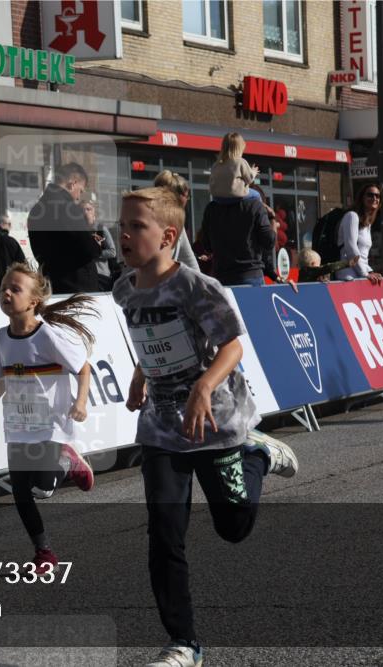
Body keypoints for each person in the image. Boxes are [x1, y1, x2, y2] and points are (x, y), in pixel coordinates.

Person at [112, 187, 297, 667]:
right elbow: (148, 338)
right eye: (122, 224)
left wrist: (203, 386)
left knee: (233, 526)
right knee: (164, 535)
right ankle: (184, 644)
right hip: (162, 429)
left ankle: (257, 455)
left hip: (214, 421)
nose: (124, 234)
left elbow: (233, 345)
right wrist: (140, 375)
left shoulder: (198, 287)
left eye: (137, 226)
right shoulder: (124, 289)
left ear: (168, 236)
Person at [0, 263, 97, 573]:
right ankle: (44, 553)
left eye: (16, 289)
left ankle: (69, 461)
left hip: (50, 423)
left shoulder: (48, 337)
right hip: (17, 424)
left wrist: (80, 402)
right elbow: (1, 381)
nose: (7, 294)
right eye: (3, 289)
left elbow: (83, 368)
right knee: (22, 491)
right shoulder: (0, 338)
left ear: (34, 301)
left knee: (43, 483)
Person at [27, 163, 102, 293]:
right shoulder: (67, 207)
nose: (79, 197)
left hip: (51, 283)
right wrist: (96, 244)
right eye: (80, 190)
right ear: (72, 183)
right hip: (77, 285)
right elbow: (87, 248)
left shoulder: (36, 210)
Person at [198, 181, 275, 287]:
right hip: (250, 275)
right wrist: (272, 219)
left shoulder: (211, 208)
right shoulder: (255, 205)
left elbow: (207, 246)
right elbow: (269, 242)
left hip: (222, 277)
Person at [335, 182, 383, 284]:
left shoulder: (367, 224)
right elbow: (351, 248)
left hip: (360, 273)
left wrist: (369, 270)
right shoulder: (352, 216)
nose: (375, 198)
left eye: (377, 196)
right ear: (362, 197)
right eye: (370, 195)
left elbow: (363, 255)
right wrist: (365, 273)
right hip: (348, 274)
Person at [153, 170, 201, 271]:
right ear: (176, 196)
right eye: (186, 196)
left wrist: (201, 284)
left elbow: (189, 260)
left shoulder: (177, 223)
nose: (187, 201)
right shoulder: (150, 222)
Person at [80, 197, 120, 291]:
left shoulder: (101, 229)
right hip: (85, 276)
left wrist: (96, 253)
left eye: (88, 209)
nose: (85, 212)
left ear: (94, 212)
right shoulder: (79, 231)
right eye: (82, 210)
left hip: (101, 275)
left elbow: (112, 251)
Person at [208, 132, 261, 202]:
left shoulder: (216, 164)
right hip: (235, 196)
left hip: (217, 197)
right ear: (240, 148)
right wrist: (253, 172)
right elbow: (249, 179)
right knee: (257, 194)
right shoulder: (240, 162)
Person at [0, 211, 26, 279]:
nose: (10, 226)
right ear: (1, 224)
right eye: (9, 224)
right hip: (8, 281)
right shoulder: (10, 242)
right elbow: (23, 266)